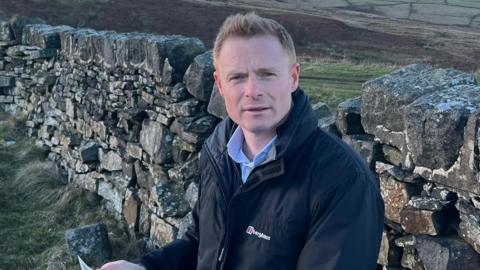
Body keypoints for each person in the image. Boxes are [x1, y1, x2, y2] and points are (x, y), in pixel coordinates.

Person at [100, 12, 384, 270]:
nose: (252, 91)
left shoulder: (343, 181)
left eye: (266, 74)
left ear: (293, 77)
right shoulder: (218, 150)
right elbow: (203, 243)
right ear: (220, 85)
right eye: (237, 77)